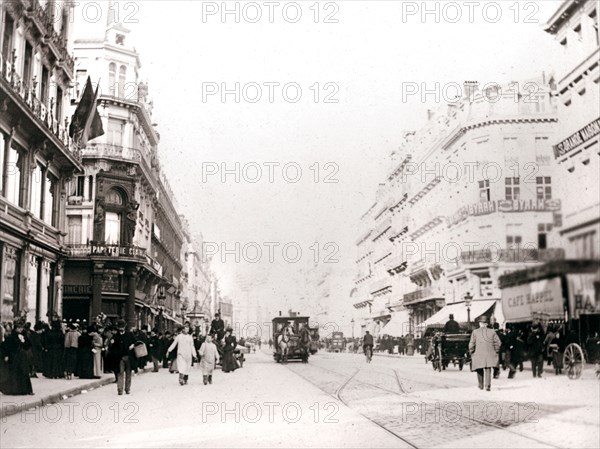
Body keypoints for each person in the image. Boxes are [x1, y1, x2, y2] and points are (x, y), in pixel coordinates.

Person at [0, 320, 34, 395]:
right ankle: (15, 390)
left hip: (22, 357)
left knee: (24, 372)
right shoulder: (11, 336)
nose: (21, 329)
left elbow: (28, 345)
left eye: (21, 328)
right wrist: (6, 355)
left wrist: (25, 339)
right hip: (14, 357)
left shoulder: (23, 336)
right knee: (15, 373)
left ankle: (25, 390)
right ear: (16, 328)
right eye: (19, 328)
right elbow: (4, 346)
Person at [468, 315, 501, 391]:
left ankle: (480, 385)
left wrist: (471, 351)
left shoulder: (475, 332)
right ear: (486, 324)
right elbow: (498, 342)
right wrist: (496, 350)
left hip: (478, 354)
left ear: (480, 323)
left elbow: (471, 344)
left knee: (479, 368)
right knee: (488, 369)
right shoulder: (492, 331)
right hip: (490, 354)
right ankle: (488, 386)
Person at [107, 320, 136, 395]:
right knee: (120, 373)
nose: (121, 329)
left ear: (125, 326)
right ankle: (120, 390)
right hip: (120, 358)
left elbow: (136, 341)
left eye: (122, 327)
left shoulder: (130, 334)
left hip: (129, 357)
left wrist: (133, 345)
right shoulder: (115, 337)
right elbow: (112, 348)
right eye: (120, 327)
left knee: (128, 374)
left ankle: (127, 389)